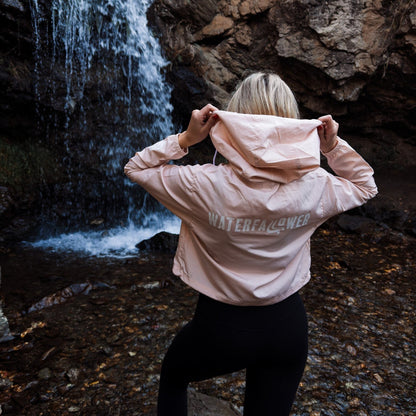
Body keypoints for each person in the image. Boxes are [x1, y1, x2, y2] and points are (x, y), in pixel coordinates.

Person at [124, 72, 378, 416]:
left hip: (221, 328)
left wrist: (187, 138)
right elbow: (365, 185)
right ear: (292, 123)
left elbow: (137, 168)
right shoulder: (317, 184)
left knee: (174, 376)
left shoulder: (203, 184)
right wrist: (331, 146)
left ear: (234, 120)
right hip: (288, 329)